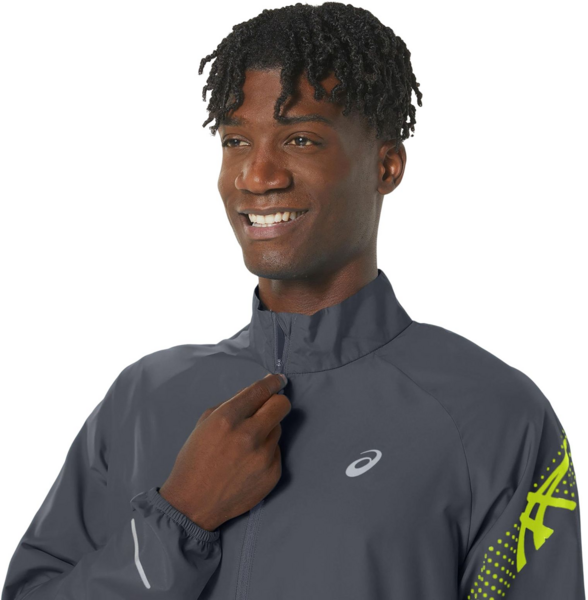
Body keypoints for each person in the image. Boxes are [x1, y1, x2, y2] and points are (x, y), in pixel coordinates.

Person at [2, 2, 585, 599]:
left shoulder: (492, 414)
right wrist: (179, 518)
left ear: (387, 165)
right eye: (235, 140)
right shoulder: (142, 400)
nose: (256, 176)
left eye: (300, 139)